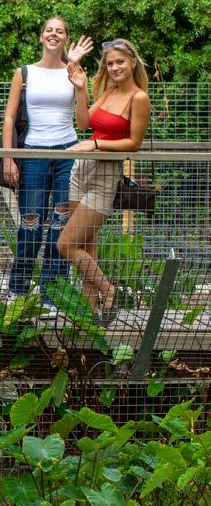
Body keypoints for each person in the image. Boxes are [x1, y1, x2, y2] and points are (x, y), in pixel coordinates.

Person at [1, 17, 93, 316]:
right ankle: (18, 290)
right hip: (33, 154)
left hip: (68, 154)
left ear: (66, 38)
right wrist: (8, 157)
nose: (54, 34)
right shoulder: (24, 73)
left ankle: (53, 295)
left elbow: (84, 123)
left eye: (60, 31)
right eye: (49, 30)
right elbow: (9, 118)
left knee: (60, 227)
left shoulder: (74, 72)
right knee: (30, 225)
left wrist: (79, 84)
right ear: (41, 37)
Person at [57, 38, 151, 320]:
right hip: (81, 170)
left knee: (66, 245)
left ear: (132, 62)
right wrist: (81, 90)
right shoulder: (109, 92)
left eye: (120, 62)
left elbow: (134, 143)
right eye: (110, 64)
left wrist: (96, 145)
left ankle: (109, 291)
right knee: (87, 247)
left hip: (106, 173)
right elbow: (83, 124)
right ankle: (88, 320)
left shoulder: (139, 98)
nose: (114, 68)